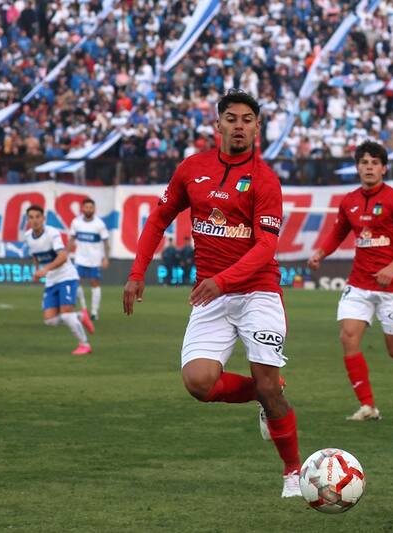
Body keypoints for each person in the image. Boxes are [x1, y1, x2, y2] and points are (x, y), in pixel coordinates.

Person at [122, 89, 302, 497]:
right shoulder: (192, 169)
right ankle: (265, 391)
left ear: (258, 126)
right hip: (213, 297)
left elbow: (265, 249)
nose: (239, 126)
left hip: (257, 293)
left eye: (247, 119)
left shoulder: (265, 180)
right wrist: (137, 272)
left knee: (269, 386)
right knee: (199, 383)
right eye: (231, 118)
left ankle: (293, 471)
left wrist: (223, 280)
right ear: (217, 123)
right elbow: (159, 219)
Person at [307, 141, 393, 421]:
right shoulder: (349, 201)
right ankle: (367, 406)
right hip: (359, 283)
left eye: (375, 163)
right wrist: (321, 252)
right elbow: (338, 232)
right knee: (348, 336)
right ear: (357, 167)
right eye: (364, 162)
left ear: (384, 168)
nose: (369, 167)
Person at [25, 205, 93, 355]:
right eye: (31, 217)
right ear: (28, 220)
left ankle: (84, 344)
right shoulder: (28, 236)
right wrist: (37, 271)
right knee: (49, 320)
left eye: (37, 217)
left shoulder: (52, 233)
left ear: (43, 218)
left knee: (66, 312)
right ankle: (80, 316)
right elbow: (35, 255)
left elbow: (63, 256)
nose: (34, 220)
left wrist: (45, 269)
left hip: (66, 276)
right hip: (51, 280)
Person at [69, 198, 109, 323]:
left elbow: (106, 242)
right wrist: (65, 254)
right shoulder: (76, 222)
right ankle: (84, 309)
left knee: (94, 283)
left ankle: (94, 312)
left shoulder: (99, 224)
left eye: (91, 207)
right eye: (86, 207)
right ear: (83, 208)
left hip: (95, 260)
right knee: (76, 282)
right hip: (80, 258)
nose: (88, 209)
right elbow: (71, 239)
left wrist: (106, 258)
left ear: (94, 209)